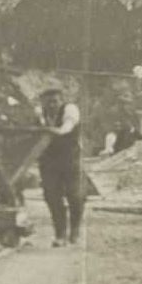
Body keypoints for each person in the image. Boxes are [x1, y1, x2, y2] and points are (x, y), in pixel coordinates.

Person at [37, 87, 85, 248]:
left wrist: (55, 130)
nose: (52, 105)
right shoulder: (39, 113)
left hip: (69, 158)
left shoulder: (70, 110)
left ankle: (75, 230)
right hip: (48, 160)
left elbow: (68, 126)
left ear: (61, 100)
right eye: (48, 102)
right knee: (51, 196)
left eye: (55, 101)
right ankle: (60, 233)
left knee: (74, 195)